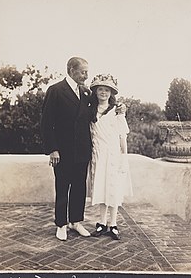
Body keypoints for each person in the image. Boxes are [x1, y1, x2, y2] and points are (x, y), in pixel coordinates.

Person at [41, 57, 92, 241]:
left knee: (79, 187)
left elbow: (99, 110)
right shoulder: (55, 91)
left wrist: (118, 108)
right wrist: (52, 149)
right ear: (71, 70)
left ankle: (76, 222)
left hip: (82, 149)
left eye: (87, 71)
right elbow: (46, 124)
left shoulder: (86, 93)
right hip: (62, 151)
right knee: (62, 187)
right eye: (83, 71)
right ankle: (61, 224)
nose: (86, 75)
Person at [88, 74, 133, 240]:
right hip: (98, 155)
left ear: (111, 93)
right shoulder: (91, 110)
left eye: (107, 90)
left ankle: (112, 224)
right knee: (101, 188)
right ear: (96, 91)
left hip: (113, 155)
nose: (103, 93)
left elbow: (122, 136)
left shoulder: (117, 111)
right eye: (100, 89)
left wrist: (123, 157)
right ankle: (101, 222)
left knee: (113, 189)